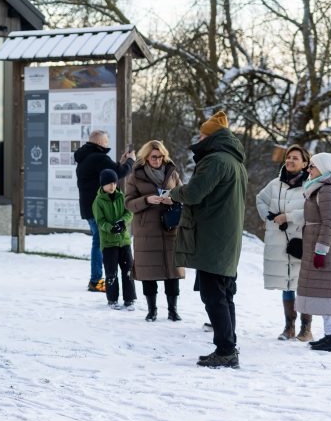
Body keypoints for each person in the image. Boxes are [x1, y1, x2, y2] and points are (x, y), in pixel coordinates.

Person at [168, 111, 248, 369]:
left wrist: (174, 193)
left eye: (202, 134)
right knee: (225, 295)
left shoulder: (215, 160)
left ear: (212, 136)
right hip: (227, 238)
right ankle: (229, 346)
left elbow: (193, 193)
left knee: (214, 296)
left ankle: (225, 350)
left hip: (214, 237)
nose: (199, 137)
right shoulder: (235, 162)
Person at [296, 152, 331, 353]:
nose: (308, 169)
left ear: (323, 168)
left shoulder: (328, 191)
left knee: (329, 293)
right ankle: (330, 336)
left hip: (329, 249)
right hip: (323, 246)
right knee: (324, 292)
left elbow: (330, 224)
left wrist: (321, 251)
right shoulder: (320, 187)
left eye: (312, 166)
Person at [255, 145, 311, 341]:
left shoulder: (311, 185)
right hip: (279, 241)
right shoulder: (275, 184)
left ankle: (306, 328)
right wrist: (269, 217)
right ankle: (289, 327)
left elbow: (314, 212)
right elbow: (260, 199)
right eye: (288, 157)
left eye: (295, 158)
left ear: (305, 163)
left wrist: (289, 217)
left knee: (303, 285)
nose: (290, 160)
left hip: (300, 241)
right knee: (287, 284)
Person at [125, 140, 185, 322]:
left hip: (170, 228)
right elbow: (128, 203)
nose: (157, 160)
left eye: (160, 157)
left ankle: (173, 310)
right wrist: (147, 200)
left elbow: (183, 195)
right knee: (148, 272)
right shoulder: (135, 175)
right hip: (146, 229)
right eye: (153, 157)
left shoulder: (172, 173)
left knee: (171, 271)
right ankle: (152, 310)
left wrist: (172, 200)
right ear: (146, 157)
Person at [75, 130, 134, 293]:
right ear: (100, 143)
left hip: (89, 207)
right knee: (99, 241)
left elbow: (109, 172)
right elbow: (119, 173)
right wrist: (130, 161)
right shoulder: (99, 157)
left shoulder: (87, 156)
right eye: (106, 141)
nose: (108, 144)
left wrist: (120, 163)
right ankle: (96, 280)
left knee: (98, 240)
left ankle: (98, 278)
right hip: (98, 207)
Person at [92, 169, 136, 310]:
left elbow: (129, 212)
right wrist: (111, 228)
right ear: (102, 185)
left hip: (124, 241)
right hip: (109, 243)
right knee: (111, 272)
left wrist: (122, 222)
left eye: (114, 183)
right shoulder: (98, 201)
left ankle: (129, 299)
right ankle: (112, 299)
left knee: (128, 271)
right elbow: (100, 221)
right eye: (108, 184)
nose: (112, 186)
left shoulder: (121, 197)